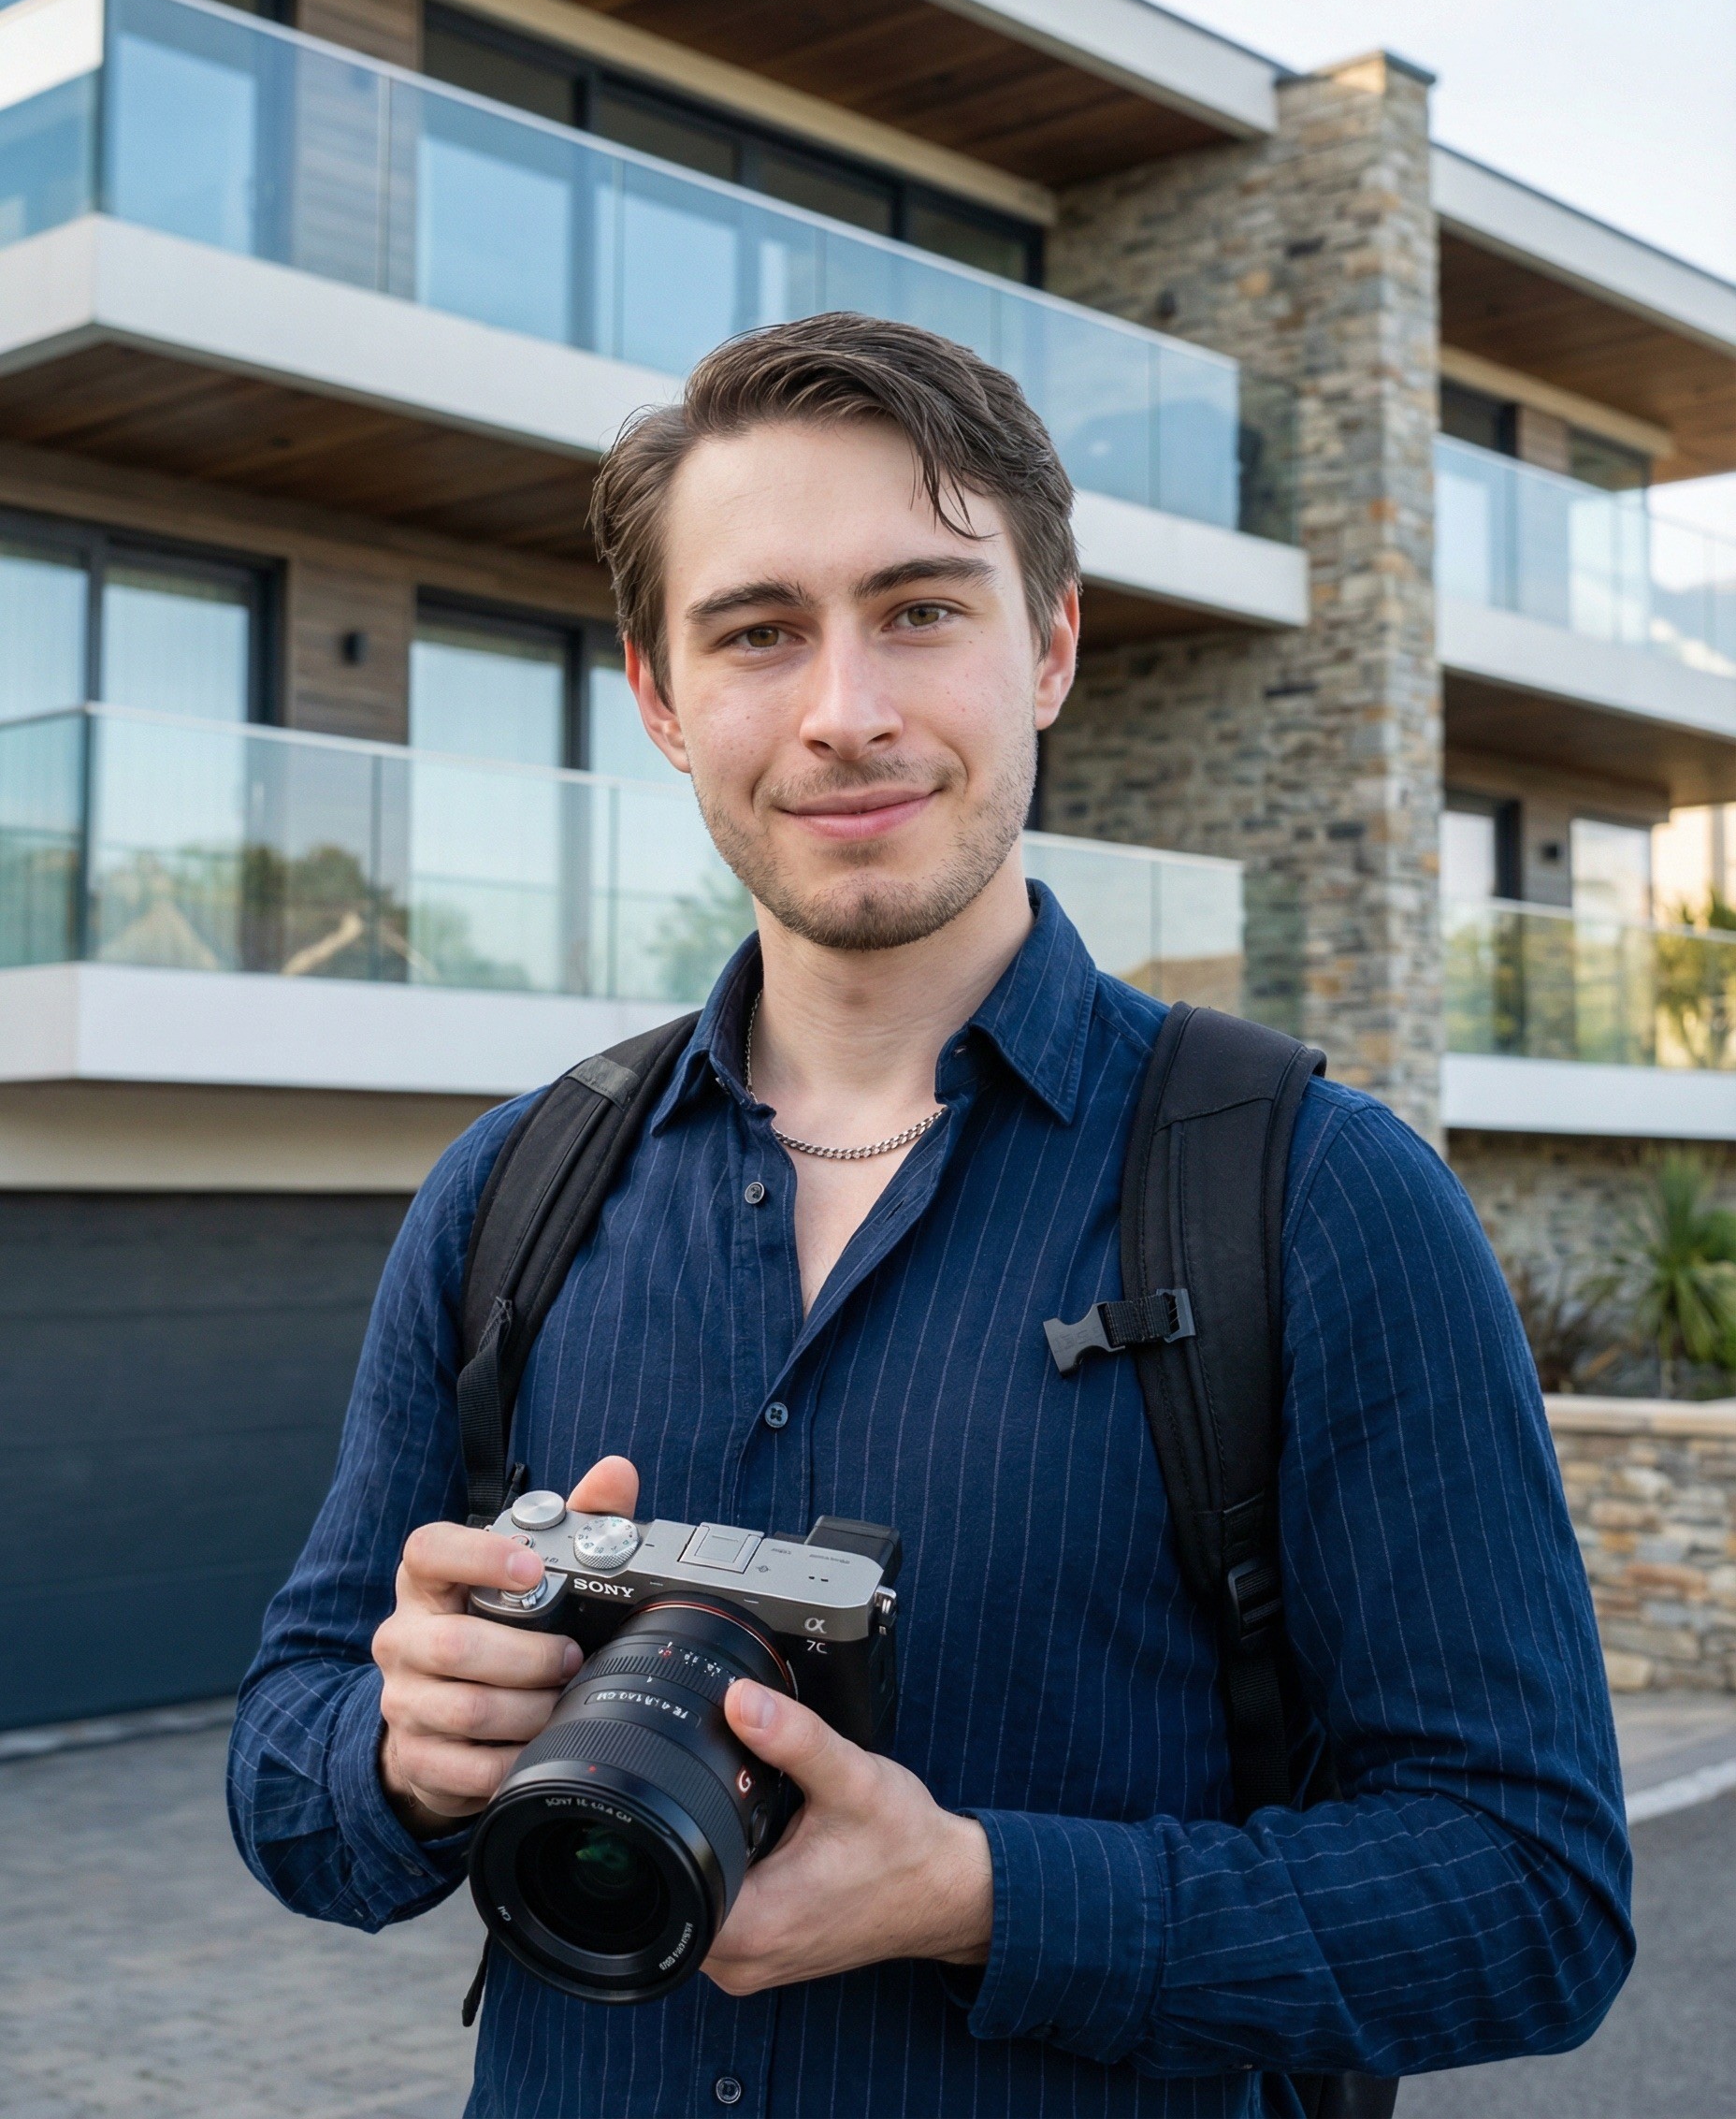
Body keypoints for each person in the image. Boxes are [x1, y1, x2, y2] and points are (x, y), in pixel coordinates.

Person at [228, 312, 1632, 2119]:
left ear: (1048, 645)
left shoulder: (1318, 1198)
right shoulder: (511, 1193)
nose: (844, 710)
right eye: (757, 632)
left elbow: (1533, 1899)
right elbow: (288, 1780)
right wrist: (404, 1756)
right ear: (661, 699)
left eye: (920, 609)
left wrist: (985, 1898)